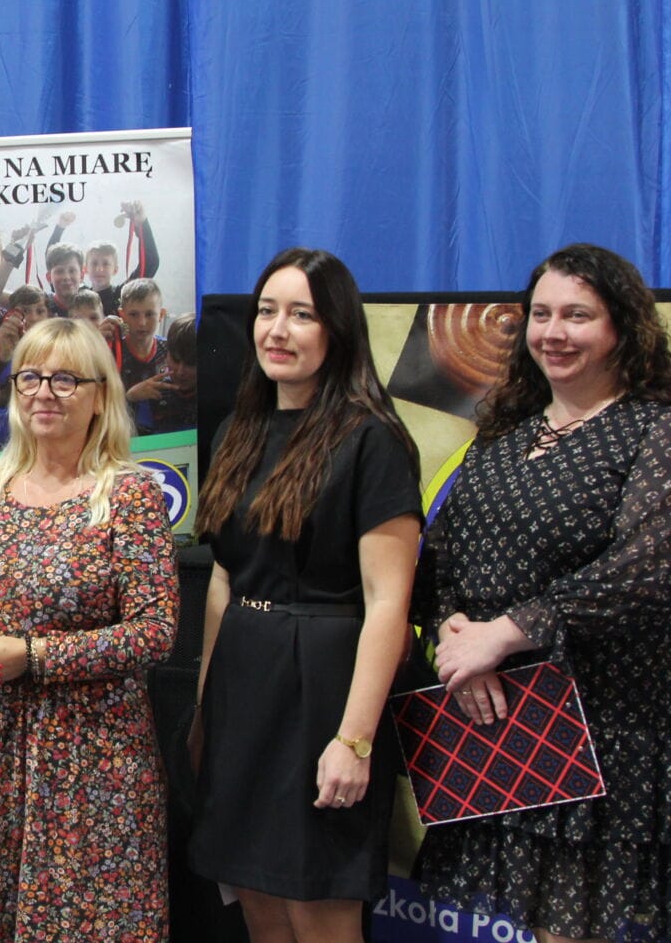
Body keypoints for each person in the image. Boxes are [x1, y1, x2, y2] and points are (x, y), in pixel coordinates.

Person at [412, 243, 671, 943]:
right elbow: (443, 560)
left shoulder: (654, 428)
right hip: (505, 727)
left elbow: (647, 568)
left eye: (577, 315)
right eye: (542, 314)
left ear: (622, 326)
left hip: (603, 730)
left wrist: (506, 633)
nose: (554, 332)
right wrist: (458, 641)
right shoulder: (504, 434)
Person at [188, 248, 422, 942]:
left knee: (319, 910)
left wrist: (354, 740)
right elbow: (223, 577)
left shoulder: (372, 440)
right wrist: (203, 710)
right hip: (242, 685)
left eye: (302, 314)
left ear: (338, 330)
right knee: (259, 905)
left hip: (324, 690)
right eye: (267, 311)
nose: (277, 330)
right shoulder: (238, 431)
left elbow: (388, 603)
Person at [0, 317, 179, 941]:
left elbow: (155, 631)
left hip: (89, 758)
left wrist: (35, 656)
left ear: (99, 396)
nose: (44, 392)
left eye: (65, 379)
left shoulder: (129, 496)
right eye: (31, 377)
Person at [118, 279, 174, 434]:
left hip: (166, 438)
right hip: (122, 437)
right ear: (122, 315)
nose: (142, 323)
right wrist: (129, 397)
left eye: (149, 314)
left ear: (161, 314)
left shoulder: (171, 351)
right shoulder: (112, 352)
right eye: (134, 314)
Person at [146, 311, 198, 434]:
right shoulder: (151, 394)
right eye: (175, 360)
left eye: (190, 364)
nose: (180, 372)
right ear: (167, 354)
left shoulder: (214, 397)